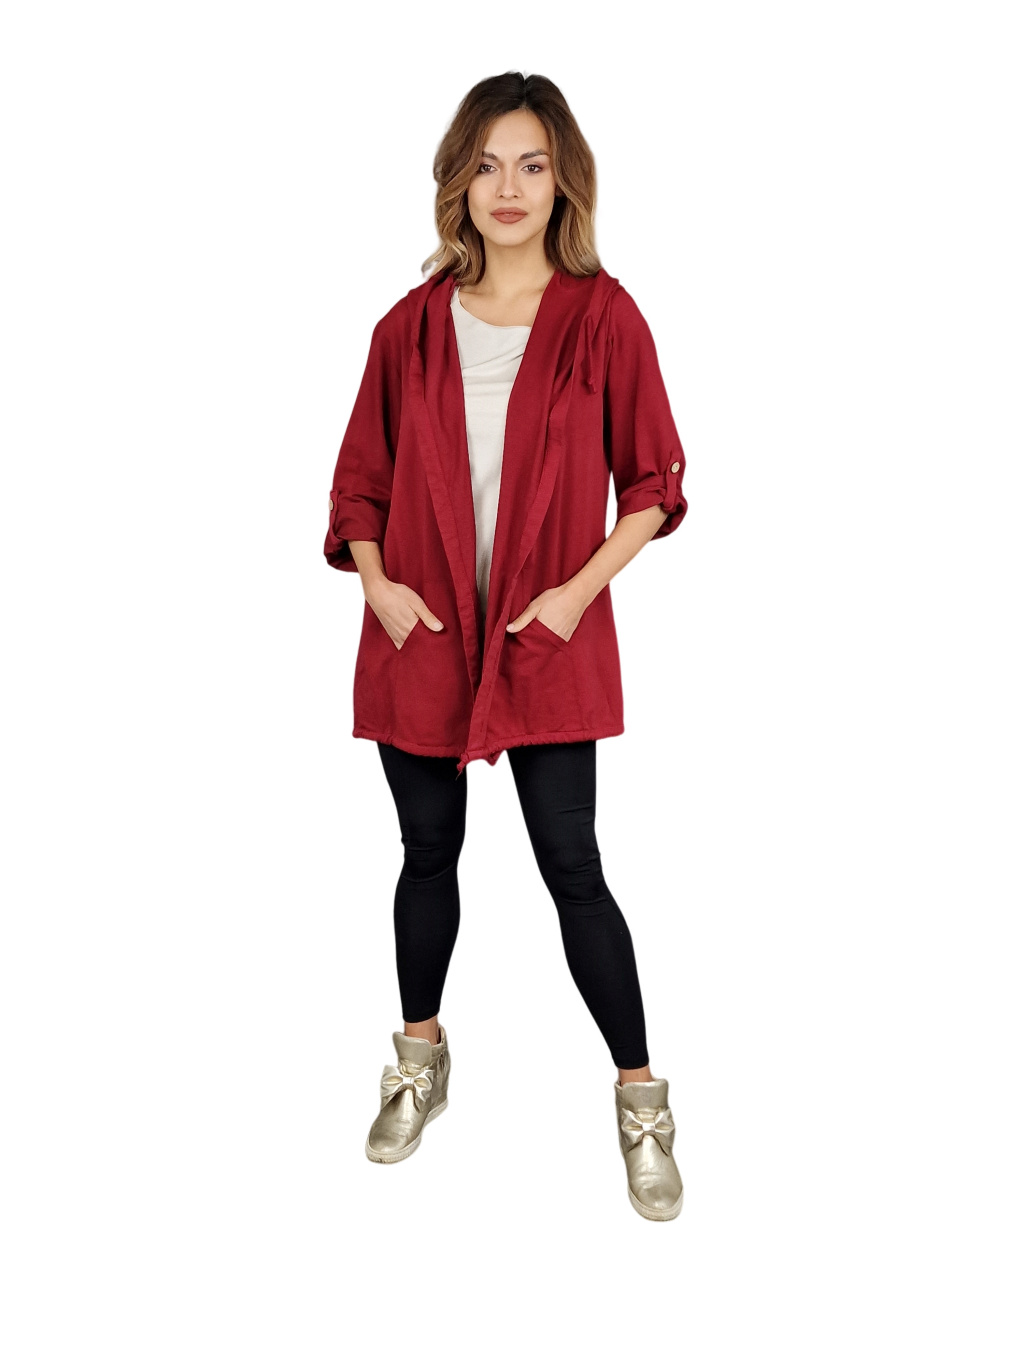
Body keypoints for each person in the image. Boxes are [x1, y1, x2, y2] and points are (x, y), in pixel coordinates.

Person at [323, 71, 688, 1221]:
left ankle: (641, 1102)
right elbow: (359, 483)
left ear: (563, 179)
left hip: (546, 637)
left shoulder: (603, 317)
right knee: (426, 852)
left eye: (532, 163)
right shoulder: (408, 327)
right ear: (458, 182)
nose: (509, 187)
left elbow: (654, 482)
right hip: (421, 633)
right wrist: (378, 586)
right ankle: (418, 1062)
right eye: (486, 165)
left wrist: (576, 595)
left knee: (572, 865)